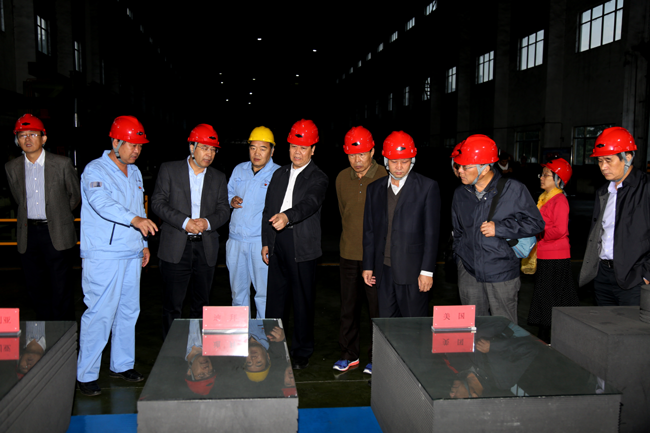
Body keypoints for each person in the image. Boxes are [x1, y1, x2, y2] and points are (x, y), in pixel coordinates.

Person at [76, 115, 158, 397]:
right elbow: (102, 203)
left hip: (131, 252)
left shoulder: (134, 172)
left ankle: (122, 364)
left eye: (140, 145)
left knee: (128, 311)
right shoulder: (95, 170)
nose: (136, 150)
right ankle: (86, 373)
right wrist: (135, 220)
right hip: (104, 254)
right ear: (115, 142)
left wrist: (143, 243)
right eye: (132, 145)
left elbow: (139, 207)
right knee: (100, 313)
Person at [451, 134, 544, 324]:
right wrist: (460, 260)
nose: (460, 171)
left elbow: (536, 223)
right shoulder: (460, 194)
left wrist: (500, 228)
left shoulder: (513, 190)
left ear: (485, 168)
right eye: (459, 166)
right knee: (473, 328)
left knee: (504, 329)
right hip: (469, 272)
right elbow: (457, 231)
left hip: (501, 273)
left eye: (466, 167)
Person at [151, 124, 229, 340]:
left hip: (206, 248)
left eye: (213, 149)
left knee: (202, 304)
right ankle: (172, 350)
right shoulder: (169, 170)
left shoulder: (218, 177)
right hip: (176, 247)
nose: (209, 154)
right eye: (204, 148)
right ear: (191, 147)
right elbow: (157, 203)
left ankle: (198, 349)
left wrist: (207, 222)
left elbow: (224, 210)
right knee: (172, 305)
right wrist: (184, 222)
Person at [262, 119, 329, 370]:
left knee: (302, 301)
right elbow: (268, 208)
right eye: (293, 147)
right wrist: (266, 242)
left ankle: (302, 351)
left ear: (313, 150)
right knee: (275, 299)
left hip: (301, 244)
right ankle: (274, 346)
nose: (297, 152)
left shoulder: (318, 177)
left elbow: (310, 203)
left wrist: (287, 216)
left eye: (303, 148)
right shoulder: (279, 174)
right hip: (277, 240)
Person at [5, 114, 80, 321]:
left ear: (44, 138)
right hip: (28, 233)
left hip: (56, 231)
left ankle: (63, 333)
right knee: (35, 287)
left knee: (61, 287)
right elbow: (18, 199)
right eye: (22, 135)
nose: (27, 139)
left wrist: (59, 214)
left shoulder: (62, 164)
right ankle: (43, 333)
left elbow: (75, 196)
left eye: (32, 134)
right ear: (17, 140)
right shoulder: (11, 168)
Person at [362, 131, 441, 318]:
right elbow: (369, 231)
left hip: (413, 272)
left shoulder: (427, 188)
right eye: (394, 161)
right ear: (385, 160)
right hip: (383, 270)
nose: (399, 167)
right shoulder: (374, 189)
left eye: (404, 161)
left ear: (412, 161)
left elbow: (431, 234)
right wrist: (368, 265)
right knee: (387, 325)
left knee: (413, 326)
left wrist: (427, 271)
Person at [333, 126, 387, 374]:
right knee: (348, 308)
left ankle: (378, 356)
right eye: (352, 155)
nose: (357, 160)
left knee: (377, 309)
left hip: (375, 257)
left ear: (372, 152)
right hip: (348, 253)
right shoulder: (342, 178)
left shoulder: (385, 175)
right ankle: (349, 354)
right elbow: (343, 212)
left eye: (362, 154)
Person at [579, 127, 650, 306]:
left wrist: (646, 274)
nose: (603, 167)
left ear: (628, 157)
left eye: (608, 160)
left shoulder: (646, 188)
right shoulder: (604, 191)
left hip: (634, 279)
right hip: (603, 276)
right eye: (600, 161)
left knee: (630, 324)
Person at [227, 126, 280, 319]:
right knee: (237, 293)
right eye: (253, 148)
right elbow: (228, 192)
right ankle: (241, 333)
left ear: (272, 150)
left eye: (263, 148)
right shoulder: (239, 169)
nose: (256, 153)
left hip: (260, 242)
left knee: (264, 294)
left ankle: (262, 335)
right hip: (235, 240)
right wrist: (231, 199)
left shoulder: (278, 174)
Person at [526, 158, 579, 343]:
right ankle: (546, 335)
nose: (541, 178)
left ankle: (550, 336)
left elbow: (560, 230)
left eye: (546, 175)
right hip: (545, 254)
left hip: (555, 257)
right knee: (546, 298)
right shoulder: (544, 199)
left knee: (551, 298)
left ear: (558, 179)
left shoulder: (559, 200)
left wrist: (536, 233)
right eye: (542, 175)